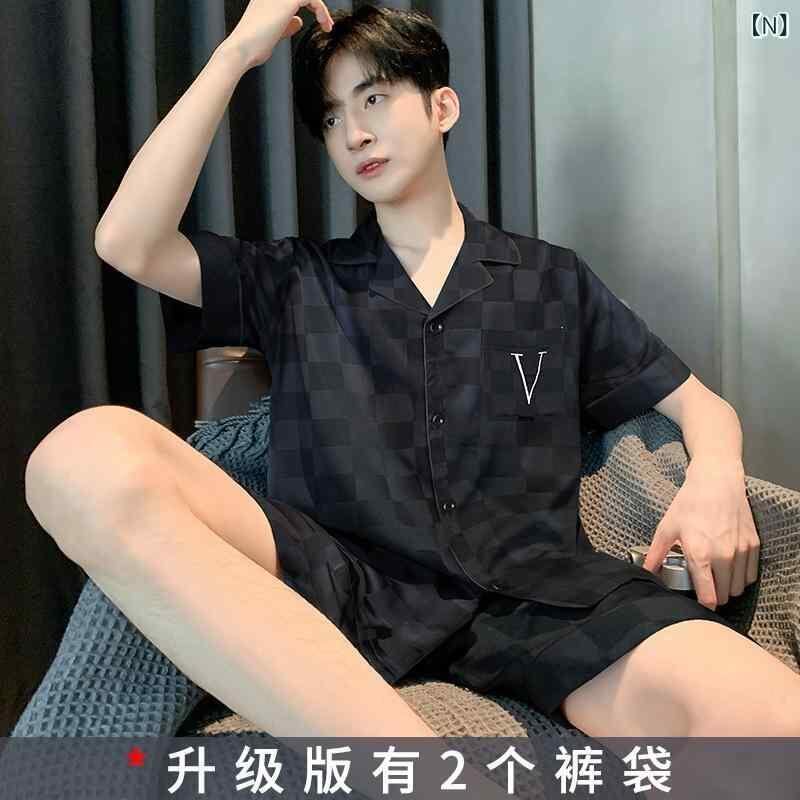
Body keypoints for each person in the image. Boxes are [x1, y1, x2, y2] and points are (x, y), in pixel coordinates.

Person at [27, 0, 800, 772]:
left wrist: (715, 476)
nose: (354, 134)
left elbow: (696, 401)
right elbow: (126, 241)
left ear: (442, 107)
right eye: (333, 118)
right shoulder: (297, 281)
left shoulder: (549, 280)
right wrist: (236, 54)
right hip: (339, 581)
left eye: (374, 98)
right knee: (82, 456)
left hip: (538, 596)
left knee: (772, 727)